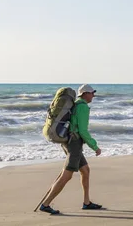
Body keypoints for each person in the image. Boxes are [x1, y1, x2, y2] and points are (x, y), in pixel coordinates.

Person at [39, 84, 102, 215]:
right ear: (84, 94)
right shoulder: (82, 107)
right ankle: (46, 204)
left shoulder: (76, 104)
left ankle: (87, 202)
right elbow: (83, 131)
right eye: (91, 93)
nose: (93, 95)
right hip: (74, 143)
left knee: (85, 170)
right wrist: (95, 146)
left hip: (68, 141)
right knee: (66, 175)